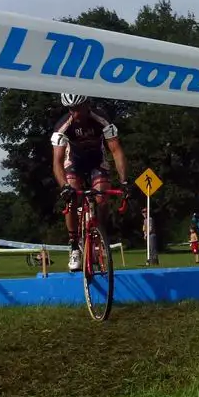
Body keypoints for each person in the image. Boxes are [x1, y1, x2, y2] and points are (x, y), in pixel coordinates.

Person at [51, 93, 131, 272]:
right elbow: (57, 162)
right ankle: (73, 247)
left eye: (78, 108)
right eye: (71, 109)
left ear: (88, 104)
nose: (75, 113)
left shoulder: (101, 118)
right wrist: (64, 187)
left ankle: (99, 236)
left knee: (102, 198)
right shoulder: (62, 126)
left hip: (97, 161)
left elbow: (116, 151)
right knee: (71, 197)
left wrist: (124, 182)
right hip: (74, 163)